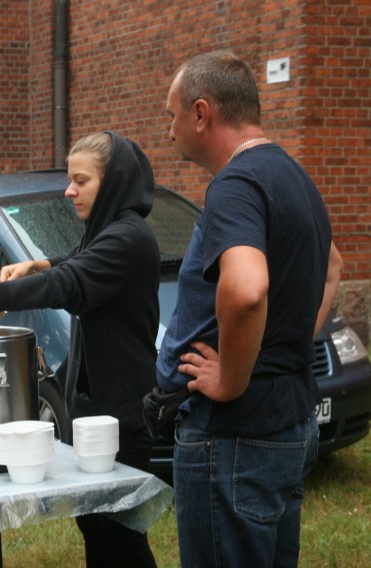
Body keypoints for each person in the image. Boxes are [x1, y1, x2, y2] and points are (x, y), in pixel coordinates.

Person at [0, 131, 160, 566]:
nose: (70, 190)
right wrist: (39, 262)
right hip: (98, 409)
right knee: (97, 529)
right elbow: (74, 261)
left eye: (80, 181)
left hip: (124, 416)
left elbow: (69, 283)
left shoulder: (129, 237)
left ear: (114, 182)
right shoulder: (106, 230)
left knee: (121, 538)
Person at [159, 50, 342, 567]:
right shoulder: (293, 176)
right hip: (287, 422)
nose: (170, 131)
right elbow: (332, 266)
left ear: (201, 113)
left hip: (234, 438)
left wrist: (232, 380)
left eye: (172, 116)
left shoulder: (235, 185)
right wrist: (285, 347)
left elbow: (245, 290)